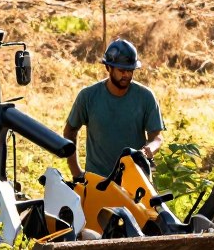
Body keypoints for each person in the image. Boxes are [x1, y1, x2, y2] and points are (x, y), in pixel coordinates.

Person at [63, 39, 165, 179]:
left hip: (135, 181)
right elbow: (69, 132)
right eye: (121, 70)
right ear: (108, 68)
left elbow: (157, 138)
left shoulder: (145, 97)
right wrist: (76, 172)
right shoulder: (88, 97)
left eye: (130, 70)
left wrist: (149, 149)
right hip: (98, 182)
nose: (126, 75)